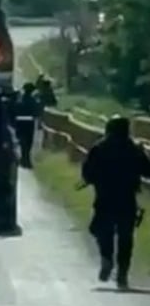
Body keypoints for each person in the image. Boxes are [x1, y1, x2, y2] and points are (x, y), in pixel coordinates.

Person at [81, 115, 150, 288]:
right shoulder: (134, 149)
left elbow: (87, 172)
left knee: (101, 229)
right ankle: (122, 274)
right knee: (126, 238)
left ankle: (106, 257)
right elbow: (148, 171)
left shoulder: (99, 148)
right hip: (127, 199)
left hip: (105, 197)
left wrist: (94, 180)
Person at [12, 82, 41, 168]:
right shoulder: (32, 100)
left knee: (22, 142)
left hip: (19, 123)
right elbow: (36, 112)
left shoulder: (19, 99)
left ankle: (24, 159)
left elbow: (13, 110)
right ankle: (26, 160)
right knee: (28, 143)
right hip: (29, 123)